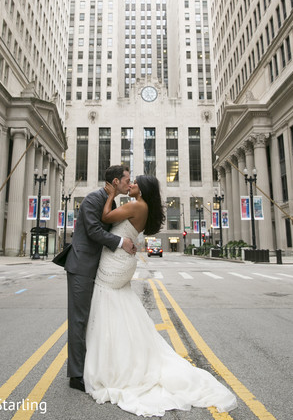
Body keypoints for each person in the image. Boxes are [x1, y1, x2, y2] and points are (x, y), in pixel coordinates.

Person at [83, 175, 237, 416]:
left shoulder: (135, 205)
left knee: (108, 306)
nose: (130, 185)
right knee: (120, 309)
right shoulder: (142, 207)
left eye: (133, 183)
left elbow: (104, 218)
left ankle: (115, 364)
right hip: (123, 262)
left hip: (115, 264)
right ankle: (123, 358)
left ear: (142, 190)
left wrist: (112, 195)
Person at [64, 165, 137, 393]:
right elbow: (94, 231)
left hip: (95, 267)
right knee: (79, 320)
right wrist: (121, 242)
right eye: (127, 179)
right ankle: (76, 376)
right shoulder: (93, 199)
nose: (129, 183)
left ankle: (87, 366)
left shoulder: (110, 200)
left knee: (90, 319)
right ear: (116, 181)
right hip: (81, 266)